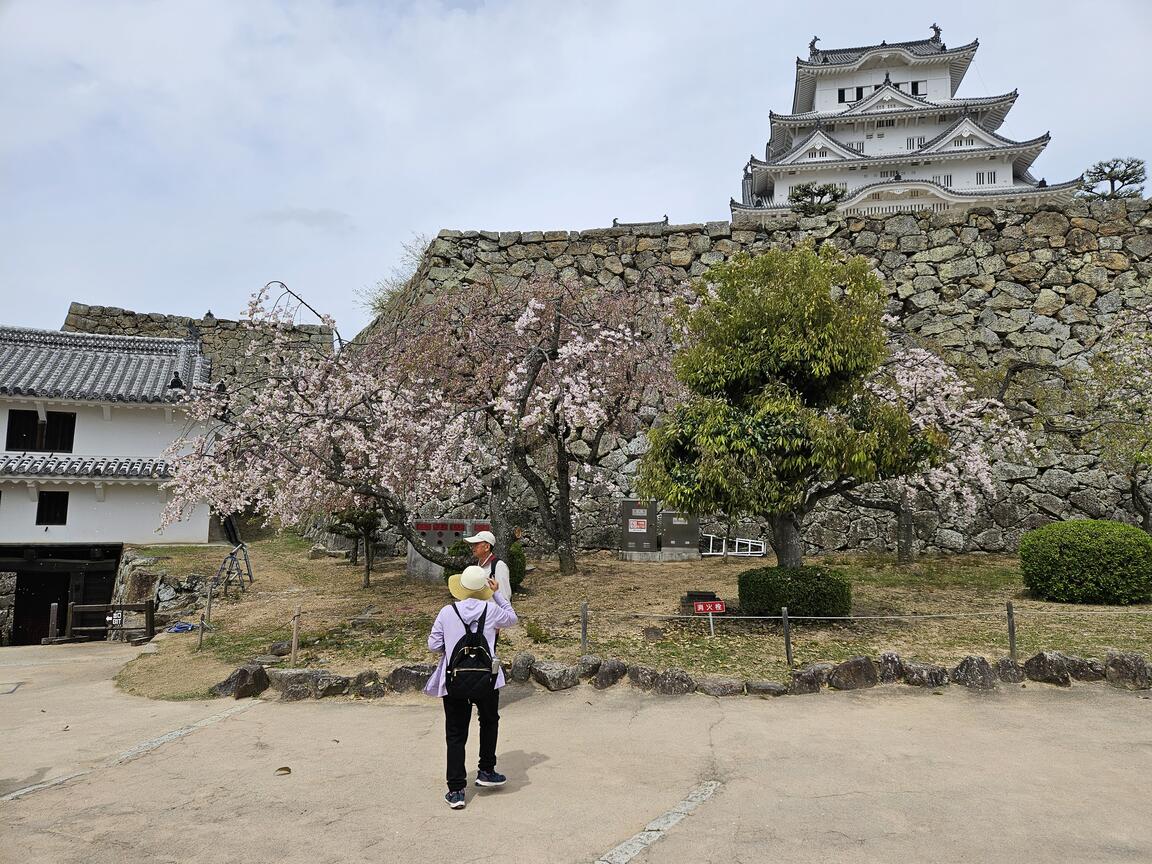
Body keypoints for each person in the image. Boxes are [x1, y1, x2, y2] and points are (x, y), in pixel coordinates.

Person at [425, 564, 518, 810]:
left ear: (462, 588)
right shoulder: (492, 610)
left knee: (455, 733)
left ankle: (456, 790)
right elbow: (513, 618)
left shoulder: (447, 612)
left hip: (454, 679)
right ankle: (486, 770)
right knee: (489, 721)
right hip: (486, 678)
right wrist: (498, 594)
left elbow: (433, 644)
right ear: (484, 588)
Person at [464, 530, 511, 598]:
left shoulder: (499, 566)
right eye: (472, 544)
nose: (473, 547)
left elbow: (505, 595)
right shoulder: (477, 566)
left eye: (476, 544)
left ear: (487, 547)